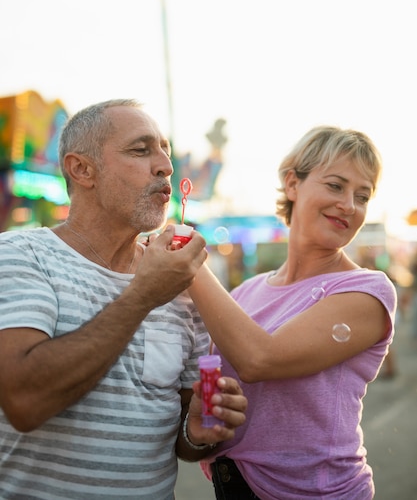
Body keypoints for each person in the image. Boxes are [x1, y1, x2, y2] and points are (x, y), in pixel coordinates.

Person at [0, 99, 247, 500]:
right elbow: (24, 402)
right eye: (141, 149)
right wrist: (143, 295)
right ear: (82, 169)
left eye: (165, 151)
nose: (165, 165)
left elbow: (182, 438)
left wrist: (198, 430)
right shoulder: (19, 256)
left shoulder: (182, 287)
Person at [188, 125, 397, 500]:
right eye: (336, 186)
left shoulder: (367, 290)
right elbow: (205, 408)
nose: (350, 204)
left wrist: (190, 266)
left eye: (362, 195)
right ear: (292, 184)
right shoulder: (246, 293)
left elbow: (259, 359)